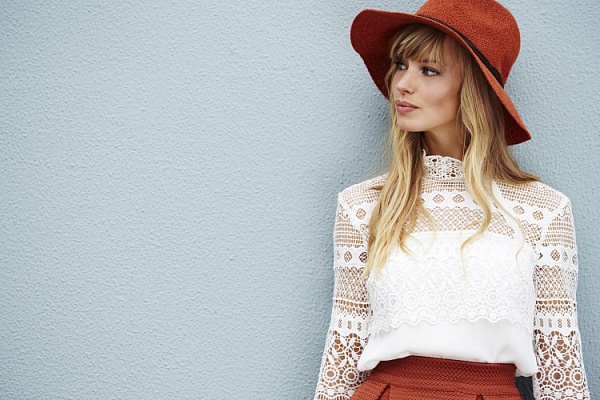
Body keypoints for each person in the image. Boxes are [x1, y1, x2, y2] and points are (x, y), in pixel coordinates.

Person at [314, 0, 590, 399]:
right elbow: (341, 360)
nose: (402, 83)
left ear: (474, 89)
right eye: (401, 65)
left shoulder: (543, 211)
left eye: (429, 70)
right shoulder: (363, 206)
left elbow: (561, 375)